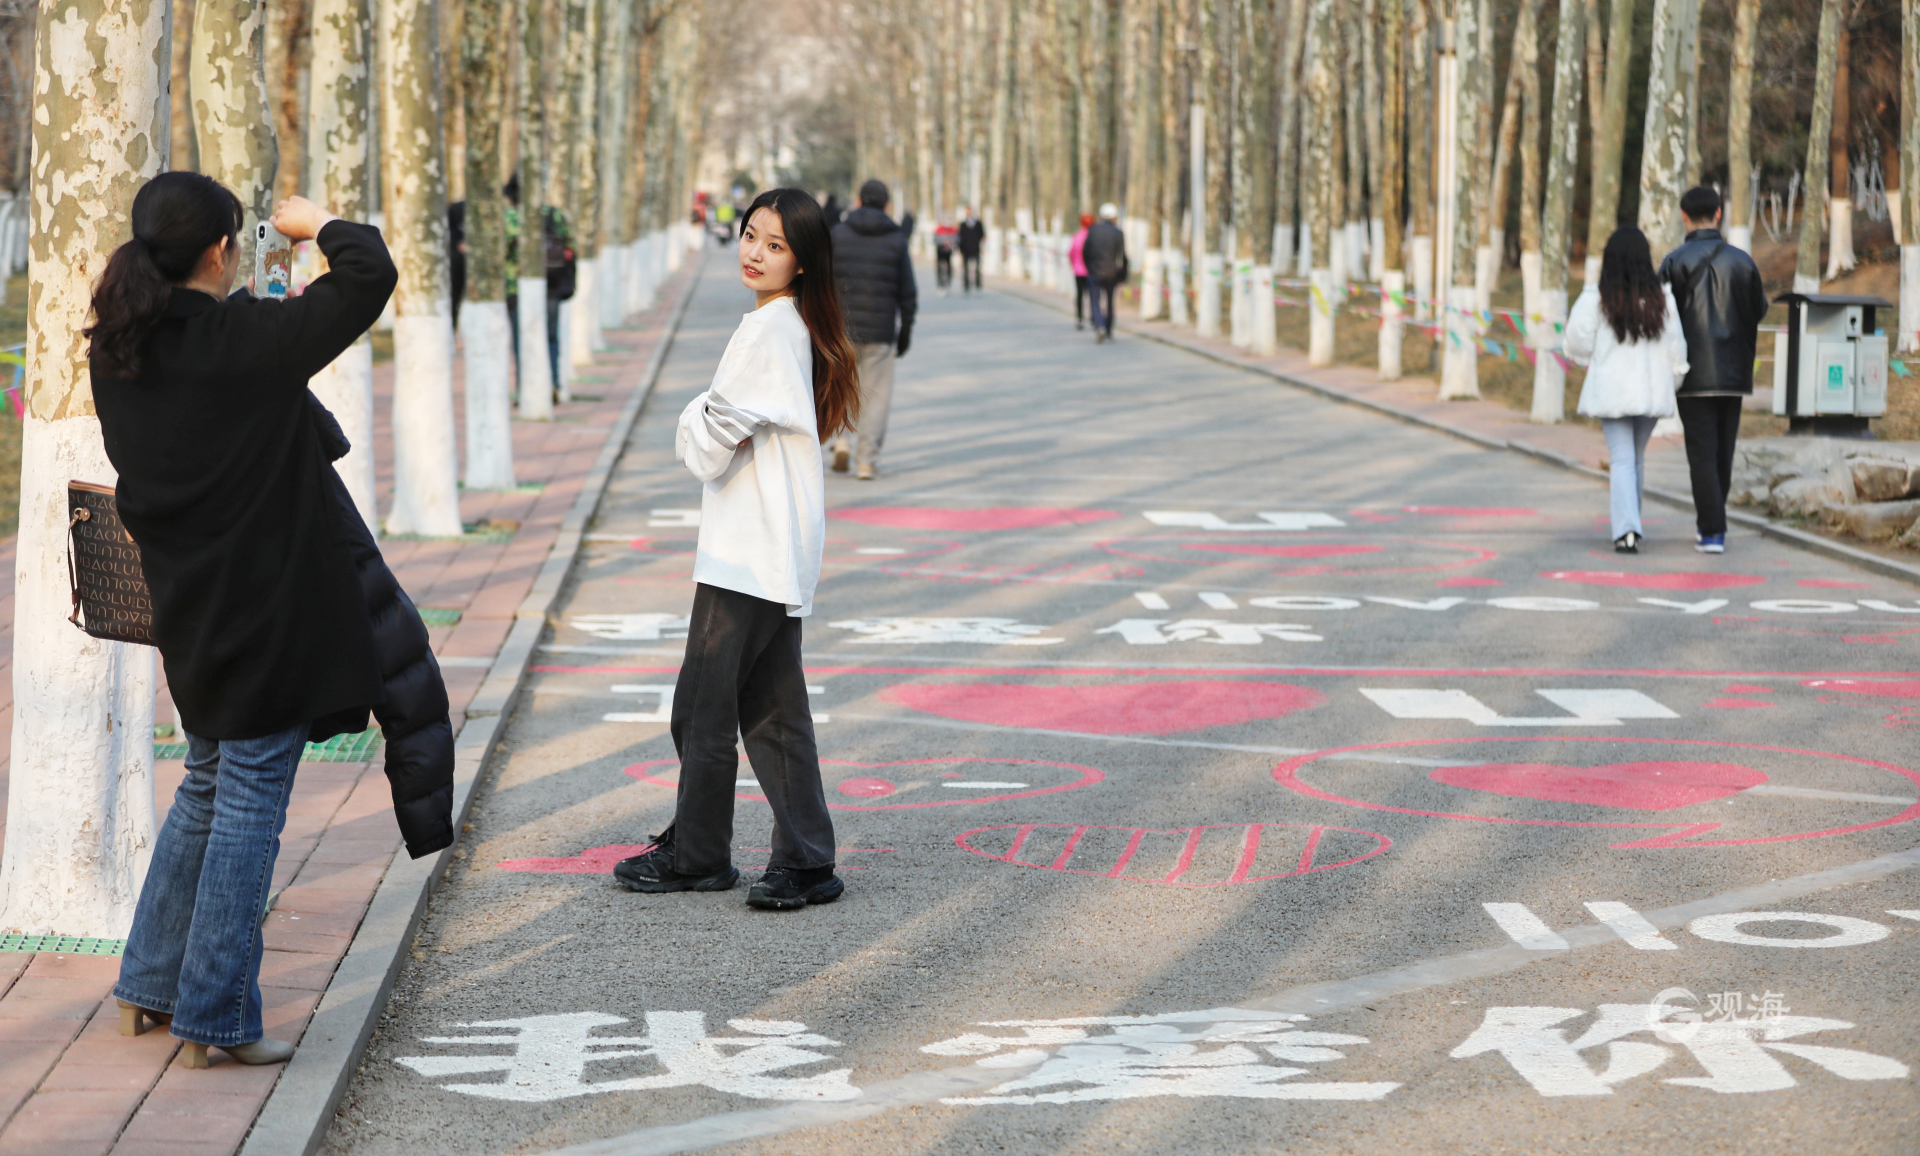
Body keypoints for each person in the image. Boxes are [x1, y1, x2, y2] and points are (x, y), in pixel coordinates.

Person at [89, 174, 452, 1068]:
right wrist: (318, 223)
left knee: (209, 785)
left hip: (190, 607)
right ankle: (216, 1014)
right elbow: (367, 273)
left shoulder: (119, 347)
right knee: (247, 799)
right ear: (219, 251)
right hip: (273, 611)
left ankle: (150, 982)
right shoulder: (249, 341)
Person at [612, 187, 861, 911]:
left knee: (701, 709)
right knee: (773, 710)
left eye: (776, 245)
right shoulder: (791, 327)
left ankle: (699, 856)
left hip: (748, 554)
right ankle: (807, 860)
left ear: (803, 263)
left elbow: (701, 449)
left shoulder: (765, 335)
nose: (754, 252)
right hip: (771, 546)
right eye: (752, 235)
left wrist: (696, 408)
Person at [1658, 185, 1769, 555]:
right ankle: (1714, 520)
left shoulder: (1674, 262)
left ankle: (1712, 530)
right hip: (1735, 371)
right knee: (1724, 449)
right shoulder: (1743, 261)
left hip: (1691, 373)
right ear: (1719, 214)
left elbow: (1662, 316)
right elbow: (1760, 309)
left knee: (1702, 451)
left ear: (1684, 215)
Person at [1565, 227, 1689, 554]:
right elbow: (1677, 347)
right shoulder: (1663, 297)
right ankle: (1631, 524)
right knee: (1635, 457)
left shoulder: (1597, 297)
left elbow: (1576, 339)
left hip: (1613, 391)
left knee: (1622, 458)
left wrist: (1584, 358)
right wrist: (1675, 378)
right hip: (1650, 390)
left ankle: (1627, 530)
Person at [829, 179, 916, 480]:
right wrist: (905, 331)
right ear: (887, 205)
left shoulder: (837, 235)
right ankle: (865, 460)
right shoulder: (896, 240)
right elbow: (908, 293)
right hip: (880, 332)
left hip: (840, 330)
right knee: (875, 396)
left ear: (857, 201)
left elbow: (821, 283)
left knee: (840, 389)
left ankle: (841, 440)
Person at [1083, 203, 1128, 343]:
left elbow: (1085, 251)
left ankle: (1099, 326)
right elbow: (1122, 256)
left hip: (1095, 272)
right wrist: (1123, 273)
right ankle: (1108, 329)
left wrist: (1089, 268)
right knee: (1109, 301)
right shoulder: (1118, 233)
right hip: (1112, 273)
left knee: (1095, 301)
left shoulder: (1093, 230)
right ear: (1114, 217)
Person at [1068, 213, 1092, 330]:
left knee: (1080, 295)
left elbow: (1071, 253)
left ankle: (1080, 318)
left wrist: (1073, 265)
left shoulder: (1077, 236)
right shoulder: (1093, 237)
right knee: (1092, 294)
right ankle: (1093, 317)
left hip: (1078, 271)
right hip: (1091, 271)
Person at [957, 206, 985, 292]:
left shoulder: (978, 224)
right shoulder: (963, 224)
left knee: (977, 267)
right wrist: (960, 248)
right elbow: (960, 237)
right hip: (965, 249)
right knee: (965, 268)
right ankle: (966, 285)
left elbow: (982, 235)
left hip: (976, 248)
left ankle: (978, 284)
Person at [934, 218, 958, 295]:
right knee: (940, 268)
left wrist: (950, 244)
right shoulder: (939, 229)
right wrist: (943, 242)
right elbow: (935, 239)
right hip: (940, 251)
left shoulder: (952, 230)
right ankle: (940, 284)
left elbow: (956, 239)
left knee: (949, 268)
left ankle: (948, 283)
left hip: (948, 252)